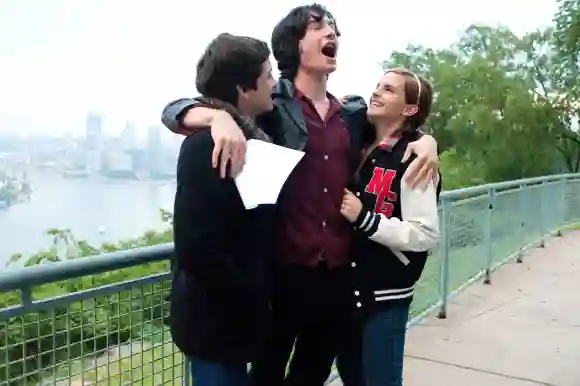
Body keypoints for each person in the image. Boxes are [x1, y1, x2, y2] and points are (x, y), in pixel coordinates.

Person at [162, 5, 440, 386]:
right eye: (319, 27)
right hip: (281, 276)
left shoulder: (353, 115)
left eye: (334, 28)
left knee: (313, 372)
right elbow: (179, 107)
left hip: (338, 278)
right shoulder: (269, 107)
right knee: (267, 375)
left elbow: (400, 129)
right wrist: (215, 117)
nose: (332, 34)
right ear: (295, 46)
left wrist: (427, 142)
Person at [170, 33, 276, 386]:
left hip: (243, 323)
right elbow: (196, 246)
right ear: (244, 88)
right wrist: (246, 298)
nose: (274, 83)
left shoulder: (256, 138)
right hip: (215, 324)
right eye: (267, 76)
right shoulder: (205, 146)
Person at [339, 68, 441, 386]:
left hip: (386, 296)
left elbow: (425, 234)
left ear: (409, 109)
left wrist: (365, 218)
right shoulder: (359, 143)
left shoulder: (415, 158)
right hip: (346, 290)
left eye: (389, 90)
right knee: (351, 376)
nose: (377, 92)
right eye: (378, 86)